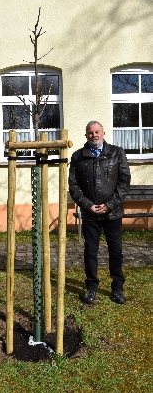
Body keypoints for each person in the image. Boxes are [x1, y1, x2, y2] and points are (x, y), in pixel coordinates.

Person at [69, 121, 131, 304]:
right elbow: (74, 186)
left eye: (97, 132)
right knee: (90, 252)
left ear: (103, 133)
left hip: (113, 212)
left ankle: (118, 288)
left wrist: (110, 205)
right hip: (91, 214)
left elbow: (124, 182)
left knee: (116, 251)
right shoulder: (78, 157)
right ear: (86, 135)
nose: (94, 135)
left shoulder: (117, 153)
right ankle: (91, 287)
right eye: (90, 133)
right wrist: (88, 205)